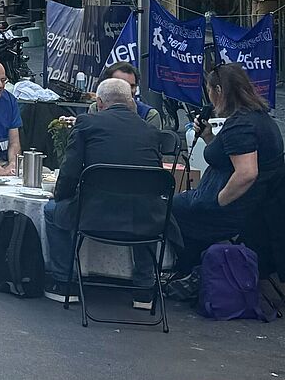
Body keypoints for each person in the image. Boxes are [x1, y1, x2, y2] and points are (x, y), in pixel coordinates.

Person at [40, 78, 164, 306]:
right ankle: (144, 289)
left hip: (94, 215)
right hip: (145, 219)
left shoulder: (87, 123)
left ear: (99, 102)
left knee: (51, 210)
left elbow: (69, 172)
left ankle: (64, 282)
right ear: (131, 101)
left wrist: (60, 196)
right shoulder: (150, 131)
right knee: (147, 205)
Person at [168, 63, 285, 290]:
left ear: (219, 91)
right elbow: (231, 160)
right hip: (253, 206)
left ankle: (189, 271)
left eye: (209, 90)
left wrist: (218, 201)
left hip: (233, 210)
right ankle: (193, 269)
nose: (209, 97)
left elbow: (247, 173)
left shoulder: (241, 125)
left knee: (167, 210)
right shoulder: (259, 119)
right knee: (179, 204)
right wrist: (209, 137)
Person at [87, 61, 162, 129]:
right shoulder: (95, 108)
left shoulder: (150, 115)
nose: (127, 90)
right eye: (121, 85)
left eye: (132, 86)